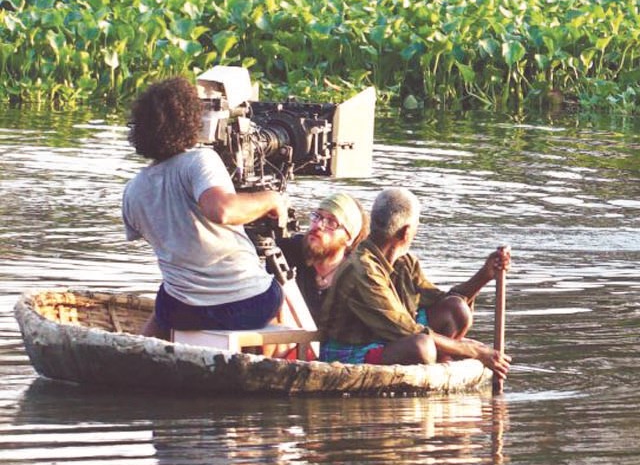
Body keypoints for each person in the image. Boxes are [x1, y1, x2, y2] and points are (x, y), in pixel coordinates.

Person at [121, 76, 290, 339]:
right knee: (279, 293)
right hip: (246, 306)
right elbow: (222, 210)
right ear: (191, 121)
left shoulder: (133, 190)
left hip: (181, 312)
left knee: (168, 292)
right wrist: (271, 199)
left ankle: (140, 351)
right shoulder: (200, 161)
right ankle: (279, 362)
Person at [319, 186, 511, 376]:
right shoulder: (361, 269)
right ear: (405, 232)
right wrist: (472, 351)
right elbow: (407, 330)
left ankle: (443, 364)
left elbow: (442, 301)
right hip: (349, 353)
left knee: (456, 310)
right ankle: (441, 360)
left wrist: (485, 275)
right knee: (421, 346)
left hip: (388, 339)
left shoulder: (405, 262)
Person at [276, 192, 368, 326]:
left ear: (349, 238)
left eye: (331, 222)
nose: (318, 225)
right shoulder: (288, 251)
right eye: (317, 216)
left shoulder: (357, 276)